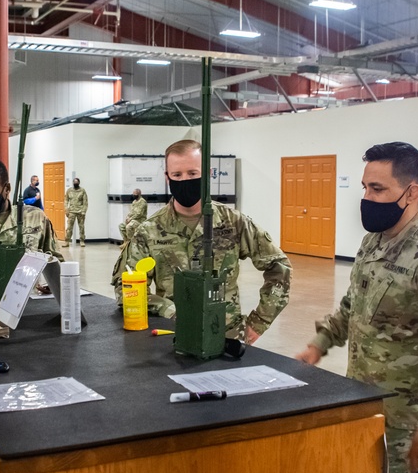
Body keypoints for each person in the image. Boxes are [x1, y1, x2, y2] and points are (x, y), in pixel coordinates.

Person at [294, 141, 418, 473]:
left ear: (412, 193)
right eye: (365, 187)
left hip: (406, 420)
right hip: (364, 399)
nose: (367, 198)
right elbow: (353, 304)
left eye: (378, 188)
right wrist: (318, 345)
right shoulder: (373, 242)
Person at [122, 139, 291, 344]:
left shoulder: (234, 222)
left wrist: (258, 322)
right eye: (177, 175)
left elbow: (278, 266)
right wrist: (168, 310)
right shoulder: (148, 231)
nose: (185, 180)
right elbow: (128, 289)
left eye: (193, 173)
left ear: (208, 174)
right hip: (173, 337)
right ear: (168, 178)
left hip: (227, 337)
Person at [0, 157, 63, 285]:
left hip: (31, 299)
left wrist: (51, 284)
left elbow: (56, 261)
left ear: (7, 189)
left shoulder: (35, 218)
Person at [63, 177, 88, 247]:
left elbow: (85, 202)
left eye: (76, 182)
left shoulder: (82, 191)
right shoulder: (69, 190)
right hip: (71, 211)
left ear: (79, 183)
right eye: (74, 182)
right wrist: (66, 210)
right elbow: (66, 200)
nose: (75, 183)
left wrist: (84, 211)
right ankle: (67, 241)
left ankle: (82, 241)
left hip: (80, 212)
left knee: (81, 227)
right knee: (69, 227)